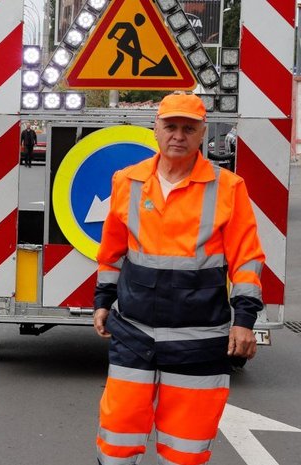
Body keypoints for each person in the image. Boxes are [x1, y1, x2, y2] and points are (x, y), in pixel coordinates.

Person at [92, 93, 264, 465]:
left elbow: (247, 258)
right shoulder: (128, 181)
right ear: (155, 129)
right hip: (134, 334)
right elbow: (112, 252)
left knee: (185, 451)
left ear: (202, 133)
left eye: (189, 128)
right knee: (117, 438)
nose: (178, 135)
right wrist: (103, 302)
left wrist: (244, 322)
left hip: (198, 342)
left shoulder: (228, 187)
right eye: (170, 126)